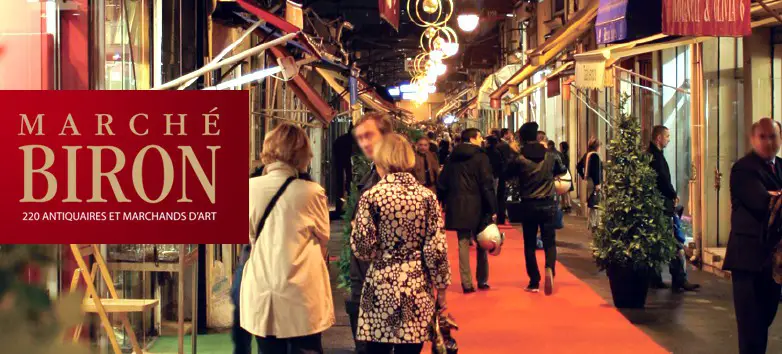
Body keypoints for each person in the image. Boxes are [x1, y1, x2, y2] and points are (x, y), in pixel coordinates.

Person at [351, 133, 451, 354]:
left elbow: (363, 249)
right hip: (415, 282)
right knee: (411, 348)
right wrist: (441, 288)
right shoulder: (426, 197)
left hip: (381, 283)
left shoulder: (372, 197)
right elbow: (436, 248)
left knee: (377, 348)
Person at [241, 123, 333, 354]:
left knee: (268, 349)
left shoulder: (248, 189)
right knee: (307, 348)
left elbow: (248, 234)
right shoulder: (312, 192)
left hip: (263, 287)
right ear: (301, 153)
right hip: (303, 292)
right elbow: (323, 237)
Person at [723, 118, 782, 354]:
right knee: (751, 329)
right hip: (747, 260)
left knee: (765, 321)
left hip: (773, 263)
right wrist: (775, 198)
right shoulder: (743, 168)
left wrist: (776, 196)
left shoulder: (780, 166)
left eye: (773, 136)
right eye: (763, 136)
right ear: (753, 139)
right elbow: (763, 204)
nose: (768, 142)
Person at [345, 112, 395, 354]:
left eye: (369, 136)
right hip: (362, 278)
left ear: (387, 137)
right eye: (360, 138)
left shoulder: (401, 180)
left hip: (386, 283)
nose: (364, 143)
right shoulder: (369, 177)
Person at [506, 122, 567, 295]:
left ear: (523, 138)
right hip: (548, 203)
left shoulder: (520, 158)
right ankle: (550, 269)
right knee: (549, 241)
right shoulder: (550, 155)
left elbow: (507, 174)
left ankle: (534, 281)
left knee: (530, 244)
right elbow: (562, 170)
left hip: (528, 204)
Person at [438, 128, 497, 293]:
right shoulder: (480, 157)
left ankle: (467, 283)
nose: (481, 139)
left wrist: (441, 200)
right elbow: (487, 183)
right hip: (478, 203)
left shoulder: (453, 158)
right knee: (482, 242)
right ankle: (482, 280)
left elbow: (443, 182)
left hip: (457, 205)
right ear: (472, 138)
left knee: (463, 243)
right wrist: (492, 207)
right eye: (479, 136)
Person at [647, 125, 700, 293]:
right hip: (663, 206)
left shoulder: (652, 156)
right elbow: (662, 180)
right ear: (659, 138)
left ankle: (655, 278)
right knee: (674, 242)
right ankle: (679, 278)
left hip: (658, 205)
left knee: (659, 242)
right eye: (667, 136)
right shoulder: (656, 158)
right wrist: (673, 194)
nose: (669, 139)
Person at [577, 137, 603, 230]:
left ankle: (591, 223)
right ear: (597, 146)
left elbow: (578, 166)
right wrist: (597, 184)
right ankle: (594, 223)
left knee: (592, 201)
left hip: (589, 181)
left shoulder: (587, 155)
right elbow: (596, 171)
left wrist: (584, 176)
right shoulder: (595, 156)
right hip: (594, 182)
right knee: (596, 202)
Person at [332, 126, 357, 217]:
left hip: (340, 161)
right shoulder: (349, 140)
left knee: (341, 183)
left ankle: (342, 207)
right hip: (343, 161)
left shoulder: (343, 139)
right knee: (346, 183)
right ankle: (345, 206)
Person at [496, 129, 514, 225]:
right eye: (509, 133)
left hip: (499, 173)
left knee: (500, 196)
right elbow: (508, 160)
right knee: (502, 196)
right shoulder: (505, 146)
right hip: (503, 174)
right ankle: (501, 217)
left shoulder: (500, 145)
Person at [559, 141, 573, 211]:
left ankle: (567, 204)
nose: (560, 148)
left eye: (560, 147)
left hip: (564, 173)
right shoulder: (566, 155)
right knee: (566, 190)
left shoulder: (563, 155)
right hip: (566, 173)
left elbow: (564, 165)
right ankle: (567, 204)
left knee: (565, 190)